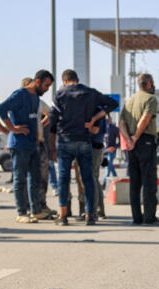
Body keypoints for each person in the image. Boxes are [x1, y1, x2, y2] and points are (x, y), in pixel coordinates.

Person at [48, 69, 118, 226]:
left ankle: (63, 215)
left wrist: (51, 146)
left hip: (65, 141)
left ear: (64, 80)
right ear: (77, 79)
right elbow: (113, 103)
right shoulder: (91, 93)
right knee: (88, 179)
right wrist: (95, 118)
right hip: (85, 142)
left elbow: (52, 120)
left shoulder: (60, 94)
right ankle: (90, 215)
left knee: (64, 179)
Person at [0, 70, 54, 223]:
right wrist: (11, 129)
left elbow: (40, 118)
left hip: (32, 144)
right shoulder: (19, 95)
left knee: (35, 178)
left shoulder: (36, 97)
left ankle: (36, 211)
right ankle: (21, 213)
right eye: (46, 85)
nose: (47, 89)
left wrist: (37, 134)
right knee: (20, 179)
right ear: (37, 82)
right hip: (19, 145)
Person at [119, 73, 159, 226]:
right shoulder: (150, 99)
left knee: (135, 182)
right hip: (144, 141)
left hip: (131, 144)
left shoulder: (129, 101)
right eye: (152, 83)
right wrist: (136, 137)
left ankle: (136, 218)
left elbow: (121, 123)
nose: (153, 86)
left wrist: (129, 139)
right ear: (148, 84)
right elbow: (145, 119)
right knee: (149, 181)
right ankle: (150, 218)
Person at [102, 119, 119, 189]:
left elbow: (120, 140)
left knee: (108, 167)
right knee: (110, 167)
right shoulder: (102, 127)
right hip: (104, 152)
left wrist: (114, 147)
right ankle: (116, 180)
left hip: (112, 152)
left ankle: (104, 182)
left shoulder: (114, 128)